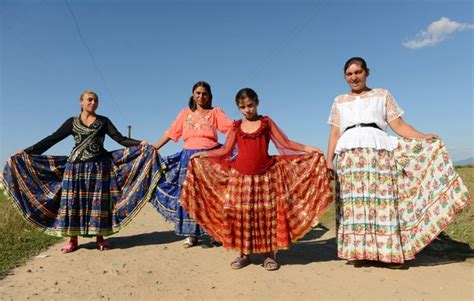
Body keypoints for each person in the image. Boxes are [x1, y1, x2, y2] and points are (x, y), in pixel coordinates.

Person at [326, 57, 471, 267]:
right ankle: (359, 251)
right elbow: (334, 133)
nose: (354, 77)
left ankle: (388, 252)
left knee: (382, 201)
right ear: (344, 77)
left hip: (379, 150)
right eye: (349, 74)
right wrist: (329, 160)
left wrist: (422, 137)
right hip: (349, 154)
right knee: (353, 203)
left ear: (367, 72)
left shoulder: (382, 94)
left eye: (358, 72)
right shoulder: (339, 100)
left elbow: (399, 125)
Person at [180, 88, 332, 271]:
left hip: (265, 177)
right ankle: (243, 255)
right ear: (239, 108)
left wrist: (308, 149)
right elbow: (225, 151)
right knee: (242, 216)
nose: (247, 110)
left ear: (257, 102)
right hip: (240, 179)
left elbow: (285, 143)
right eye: (242, 107)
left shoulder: (266, 123)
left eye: (250, 105)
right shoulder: (236, 127)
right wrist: (203, 155)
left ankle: (268, 254)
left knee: (266, 216)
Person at [1, 91, 162, 253]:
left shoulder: (103, 121)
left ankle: (100, 238)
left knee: (97, 203)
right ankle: (73, 240)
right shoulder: (72, 122)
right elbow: (52, 139)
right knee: (73, 203)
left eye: (95, 100)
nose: (93, 103)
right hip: (74, 169)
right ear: (81, 102)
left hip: (98, 169)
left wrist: (139, 143)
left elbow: (120, 138)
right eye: (89, 100)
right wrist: (27, 151)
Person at [151, 81, 233, 248]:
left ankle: (214, 233)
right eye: (198, 93)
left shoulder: (215, 112)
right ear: (193, 95)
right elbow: (170, 132)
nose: (201, 96)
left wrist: (232, 148)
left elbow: (232, 129)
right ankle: (191, 235)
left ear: (209, 96)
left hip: (210, 158)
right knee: (188, 195)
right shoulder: (185, 113)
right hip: (188, 158)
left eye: (204, 93)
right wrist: (153, 148)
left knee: (210, 196)